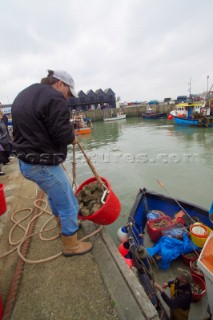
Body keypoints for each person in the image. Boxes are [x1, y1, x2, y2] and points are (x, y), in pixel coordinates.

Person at [11, 69, 92, 256]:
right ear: (59, 84)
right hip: (41, 163)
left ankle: (62, 226)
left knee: (55, 196)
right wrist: (72, 137)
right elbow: (62, 134)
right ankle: (71, 245)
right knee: (69, 202)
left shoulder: (25, 94)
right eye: (68, 92)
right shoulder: (55, 98)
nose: (68, 98)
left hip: (26, 161)